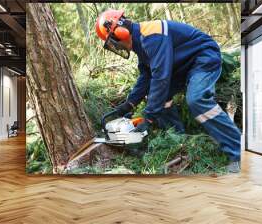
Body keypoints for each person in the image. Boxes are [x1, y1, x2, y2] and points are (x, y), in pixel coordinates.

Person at [95, 9, 241, 173]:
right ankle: (180, 142)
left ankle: (237, 151)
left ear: (120, 32)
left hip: (202, 57)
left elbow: (161, 78)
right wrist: (129, 104)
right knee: (160, 98)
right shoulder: (140, 43)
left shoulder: (152, 35)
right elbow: (146, 76)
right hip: (180, 67)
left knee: (196, 99)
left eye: (113, 42)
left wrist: (148, 118)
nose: (116, 46)